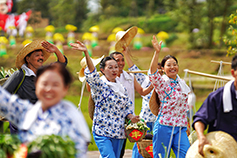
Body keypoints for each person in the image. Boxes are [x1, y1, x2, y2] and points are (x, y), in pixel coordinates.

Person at [0, 62, 91, 158]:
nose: (48, 89)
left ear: (65, 88)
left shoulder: (72, 119)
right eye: (44, 83)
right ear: (36, 84)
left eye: (55, 85)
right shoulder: (27, 113)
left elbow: (78, 152)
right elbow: (4, 100)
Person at [70, 40, 140, 158]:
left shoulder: (121, 88)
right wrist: (86, 53)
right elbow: (92, 74)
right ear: (102, 70)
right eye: (110, 67)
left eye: (116, 67)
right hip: (103, 132)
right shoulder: (100, 86)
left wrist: (131, 117)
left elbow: (127, 108)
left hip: (119, 133)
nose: (114, 70)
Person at [2, 39, 67, 134]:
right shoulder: (19, 75)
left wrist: (56, 50)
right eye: (37, 55)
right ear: (27, 59)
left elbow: (62, 64)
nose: (41, 58)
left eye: (42, 55)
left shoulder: (44, 74)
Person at [149, 35, 191, 158]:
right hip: (164, 126)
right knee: (161, 156)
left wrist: (187, 124)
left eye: (175, 64)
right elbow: (152, 73)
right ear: (163, 68)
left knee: (186, 154)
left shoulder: (182, 83)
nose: (172, 67)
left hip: (180, 127)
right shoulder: (162, 83)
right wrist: (157, 52)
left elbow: (184, 107)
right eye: (169, 65)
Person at [109, 50, 153, 157]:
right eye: (117, 60)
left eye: (122, 60)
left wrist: (154, 84)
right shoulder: (107, 78)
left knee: (120, 150)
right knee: (109, 151)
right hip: (111, 120)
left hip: (127, 120)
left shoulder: (130, 77)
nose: (120, 63)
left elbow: (142, 92)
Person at [192, 54, 237, 156]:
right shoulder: (217, 97)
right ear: (233, 73)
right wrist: (201, 137)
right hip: (220, 152)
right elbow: (200, 119)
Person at [123, 48, 163, 158]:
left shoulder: (165, 83)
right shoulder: (145, 80)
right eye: (154, 70)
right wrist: (126, 53)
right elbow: (133, 68)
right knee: (140, 143)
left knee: (156, 145)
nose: (156, 73)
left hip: (159, 120)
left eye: (159, 71)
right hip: (144, 119)